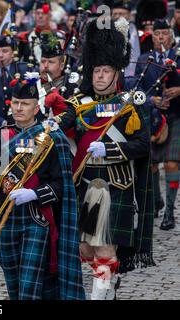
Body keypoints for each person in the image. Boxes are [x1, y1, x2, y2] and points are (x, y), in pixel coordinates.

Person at [58, 17, 155, 299]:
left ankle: (100, 292)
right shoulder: (79, 104)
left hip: (116, 186)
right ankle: (109, 284)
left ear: (117, 73)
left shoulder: (130, 105)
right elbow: (59, 128)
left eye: (106, 70)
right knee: (86, 249)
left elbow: (142, 146)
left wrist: (110, 150)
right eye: (96, 70)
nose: (99, 76)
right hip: (86, 184)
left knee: (104, 248)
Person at [0, 74, 85, 300]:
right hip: (5, 218)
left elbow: (63, 185)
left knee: (29, 288)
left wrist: (34, 193)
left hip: (36, 220)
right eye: (15, 103)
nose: (19, 108)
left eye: (25, 104)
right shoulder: (2, 135)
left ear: (36, 107)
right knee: (13, 287)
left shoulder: (52, 138)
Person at [136, 19, 180, 230]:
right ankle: (156, 202)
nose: (161, 37)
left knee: (172, 164)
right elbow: (134, 91)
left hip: (176, 115)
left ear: (171, 36)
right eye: (157, 34)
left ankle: (169, 212)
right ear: (151, 36)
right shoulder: (144, 60)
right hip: (153, 118)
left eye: (164, 33)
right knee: (152, 164)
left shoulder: (178, 57)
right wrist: (150, 100)